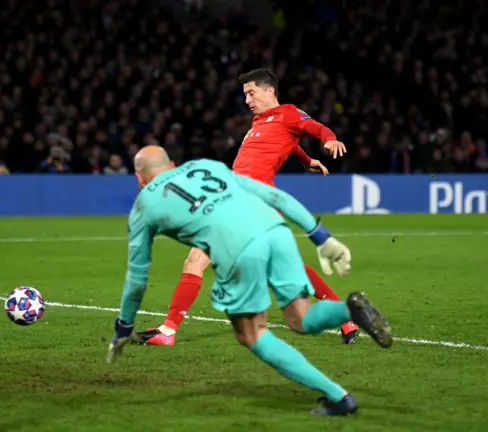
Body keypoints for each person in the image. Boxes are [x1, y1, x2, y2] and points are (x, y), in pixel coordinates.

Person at [106, 146, 392, 416]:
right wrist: (319, 235)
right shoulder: (205, 166)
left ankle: (339, 396)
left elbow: (137, 279)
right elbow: (273, 196)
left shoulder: (142, 207)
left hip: (237, 250)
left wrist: (124, 327)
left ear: (139, 178)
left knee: (251, 334)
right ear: (171, 165)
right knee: (301, 318)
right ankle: (349, 311)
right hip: (275, 229)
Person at [136, 68, 358, 347]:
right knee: (195, 260)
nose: (247, 100)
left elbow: (313, 128)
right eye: (245, 94)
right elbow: (286, 143)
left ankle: (344, 315)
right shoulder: (259, 121)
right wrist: (305, 160)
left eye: (251, 93)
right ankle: (167, 331)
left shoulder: (289, 113)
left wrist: (329, 139)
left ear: (269, 91)